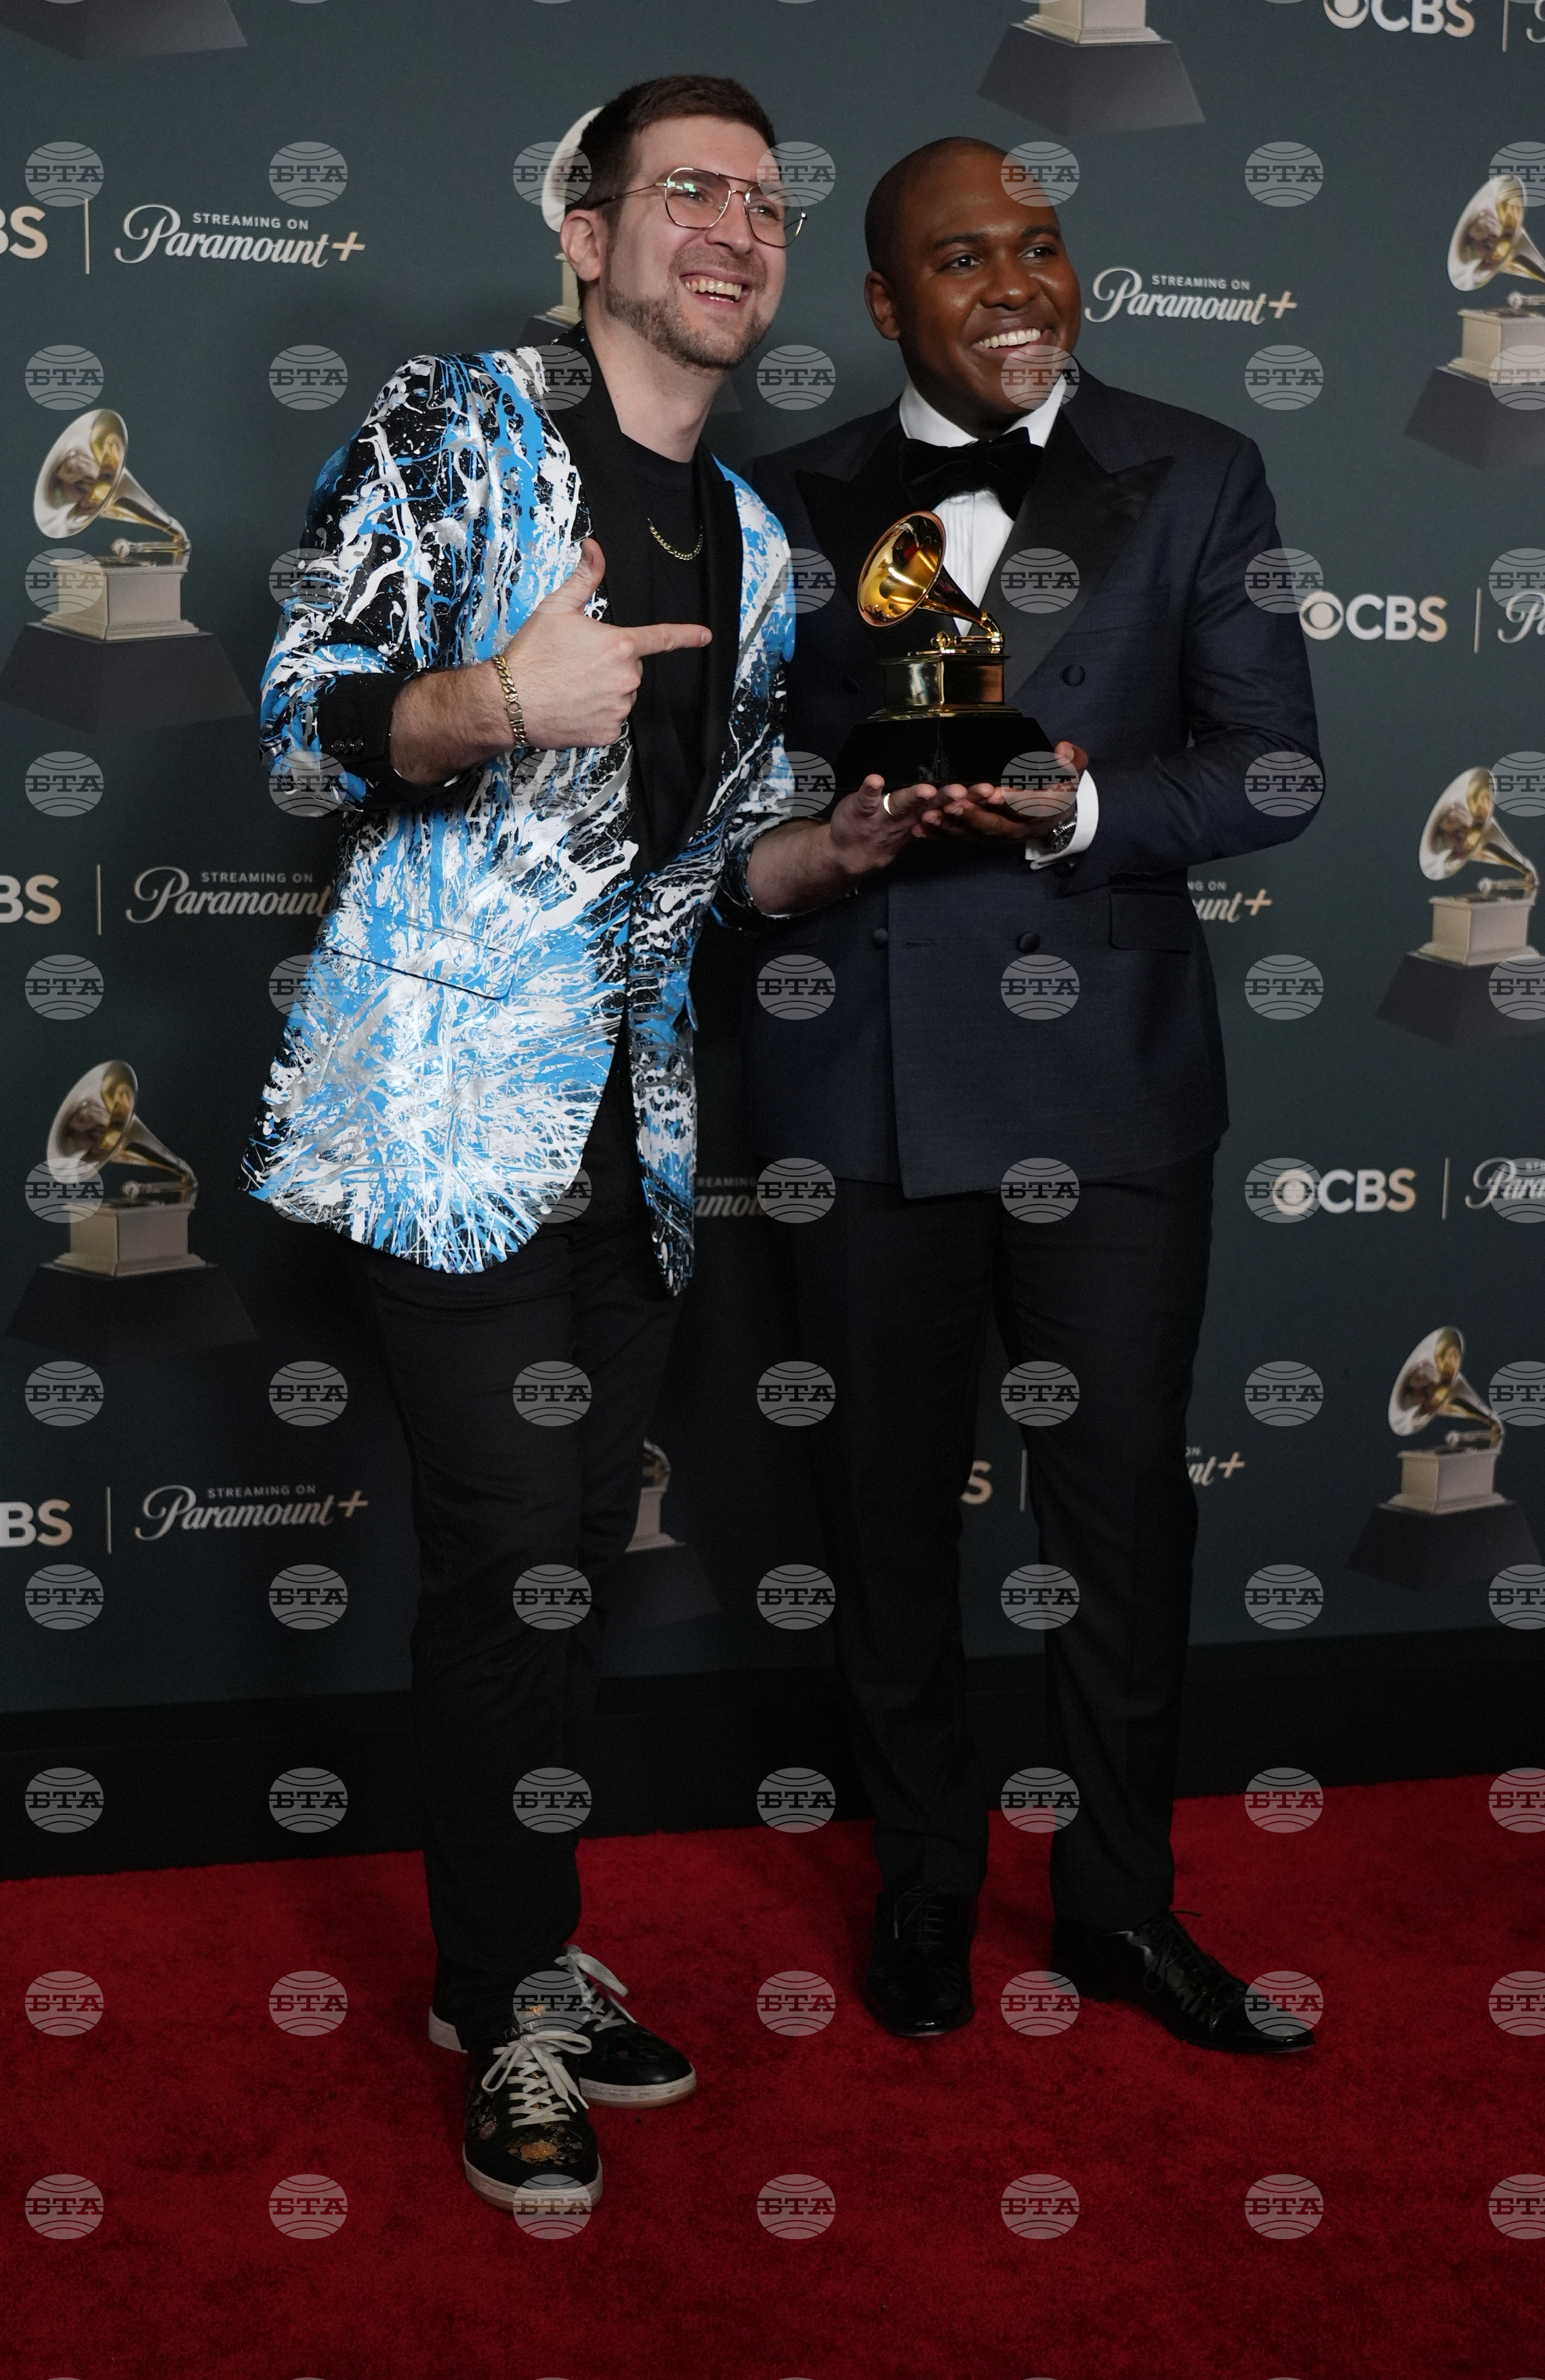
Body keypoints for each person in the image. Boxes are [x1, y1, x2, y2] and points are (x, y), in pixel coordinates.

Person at [243, 73, 936, 2217]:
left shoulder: (747, 540)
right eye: (688, 194)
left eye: (766, 203)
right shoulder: (451, 432)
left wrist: (831, 846)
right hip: (443, 1115)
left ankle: (500, 1960)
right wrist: (485, 704)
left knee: (558, 1566)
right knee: (500, 1557)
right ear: (587, 231)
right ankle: (511, 1991)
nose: (735, 229)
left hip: (624, 1137)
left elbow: (700, 884)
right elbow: (297, 719)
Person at [739, 138, 1325, 2053]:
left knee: (1120, 1518)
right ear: (886, 302)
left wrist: (1084, 803)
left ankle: (1116, 1904)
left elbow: (1271, 773)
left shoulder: (1201, 469)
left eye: (1044, 247)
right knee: (886, 1506)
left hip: (1112, 1097)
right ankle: (921, 1874)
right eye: (961, 258)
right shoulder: (790, 495)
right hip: (865, 1080)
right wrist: (830, 831)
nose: (1014, 286)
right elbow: (722, 793)